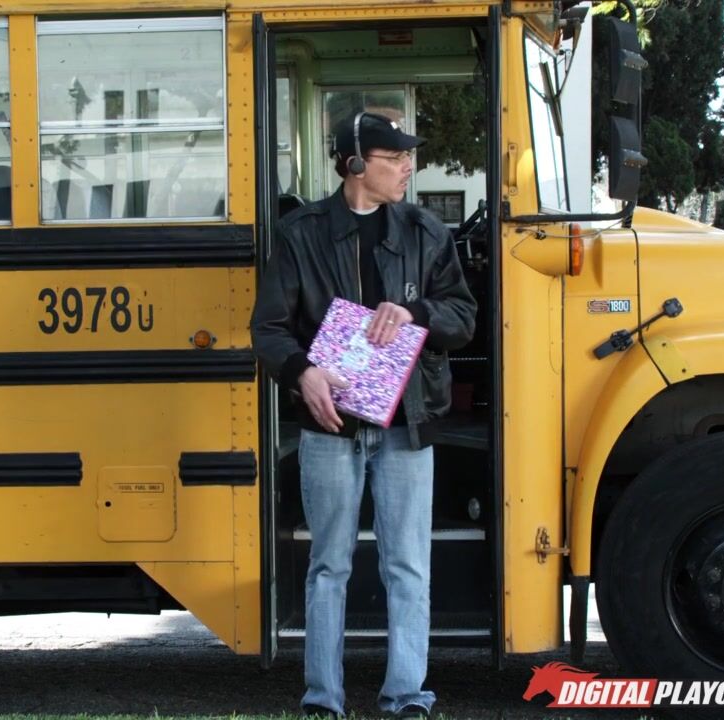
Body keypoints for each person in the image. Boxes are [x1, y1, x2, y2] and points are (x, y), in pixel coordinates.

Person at [250, 110, 477, 719]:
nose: (407, 167)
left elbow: (463, 317)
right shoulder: (299, 234)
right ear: (354, 164)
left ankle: (407, 696)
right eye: (394, 157)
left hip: (407, 427)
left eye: (407, 157)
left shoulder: (427, 231)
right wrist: (303, 372)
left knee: (408, 565)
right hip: (331, 427)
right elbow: (268, 328)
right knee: (329, 565)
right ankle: (323, 699)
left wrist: (417, 314)